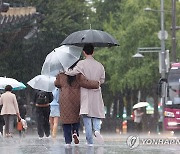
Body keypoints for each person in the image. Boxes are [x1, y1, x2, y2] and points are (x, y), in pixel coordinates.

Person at [65, 44, 105, 145]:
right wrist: (96, 82)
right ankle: (97, 130)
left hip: (85, 93)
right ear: (93, 52)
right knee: (96, 114)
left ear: (84, 52)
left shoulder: (81, 64)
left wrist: (65, 70)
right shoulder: (99, 65)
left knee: (87, 117)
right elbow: (102, 80)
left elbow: (72, 73)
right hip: (96, 93)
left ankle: (90, 141)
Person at [55, 62, 99, 146]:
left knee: (66, 120)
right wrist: (97, 84)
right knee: (76, 117)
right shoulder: (78, 74)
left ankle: (68, 141)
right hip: (76, 98)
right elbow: (86, 83)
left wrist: (58, 77)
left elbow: (56, 84)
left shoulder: (61, 75)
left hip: (64, 99)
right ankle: (75, 131)